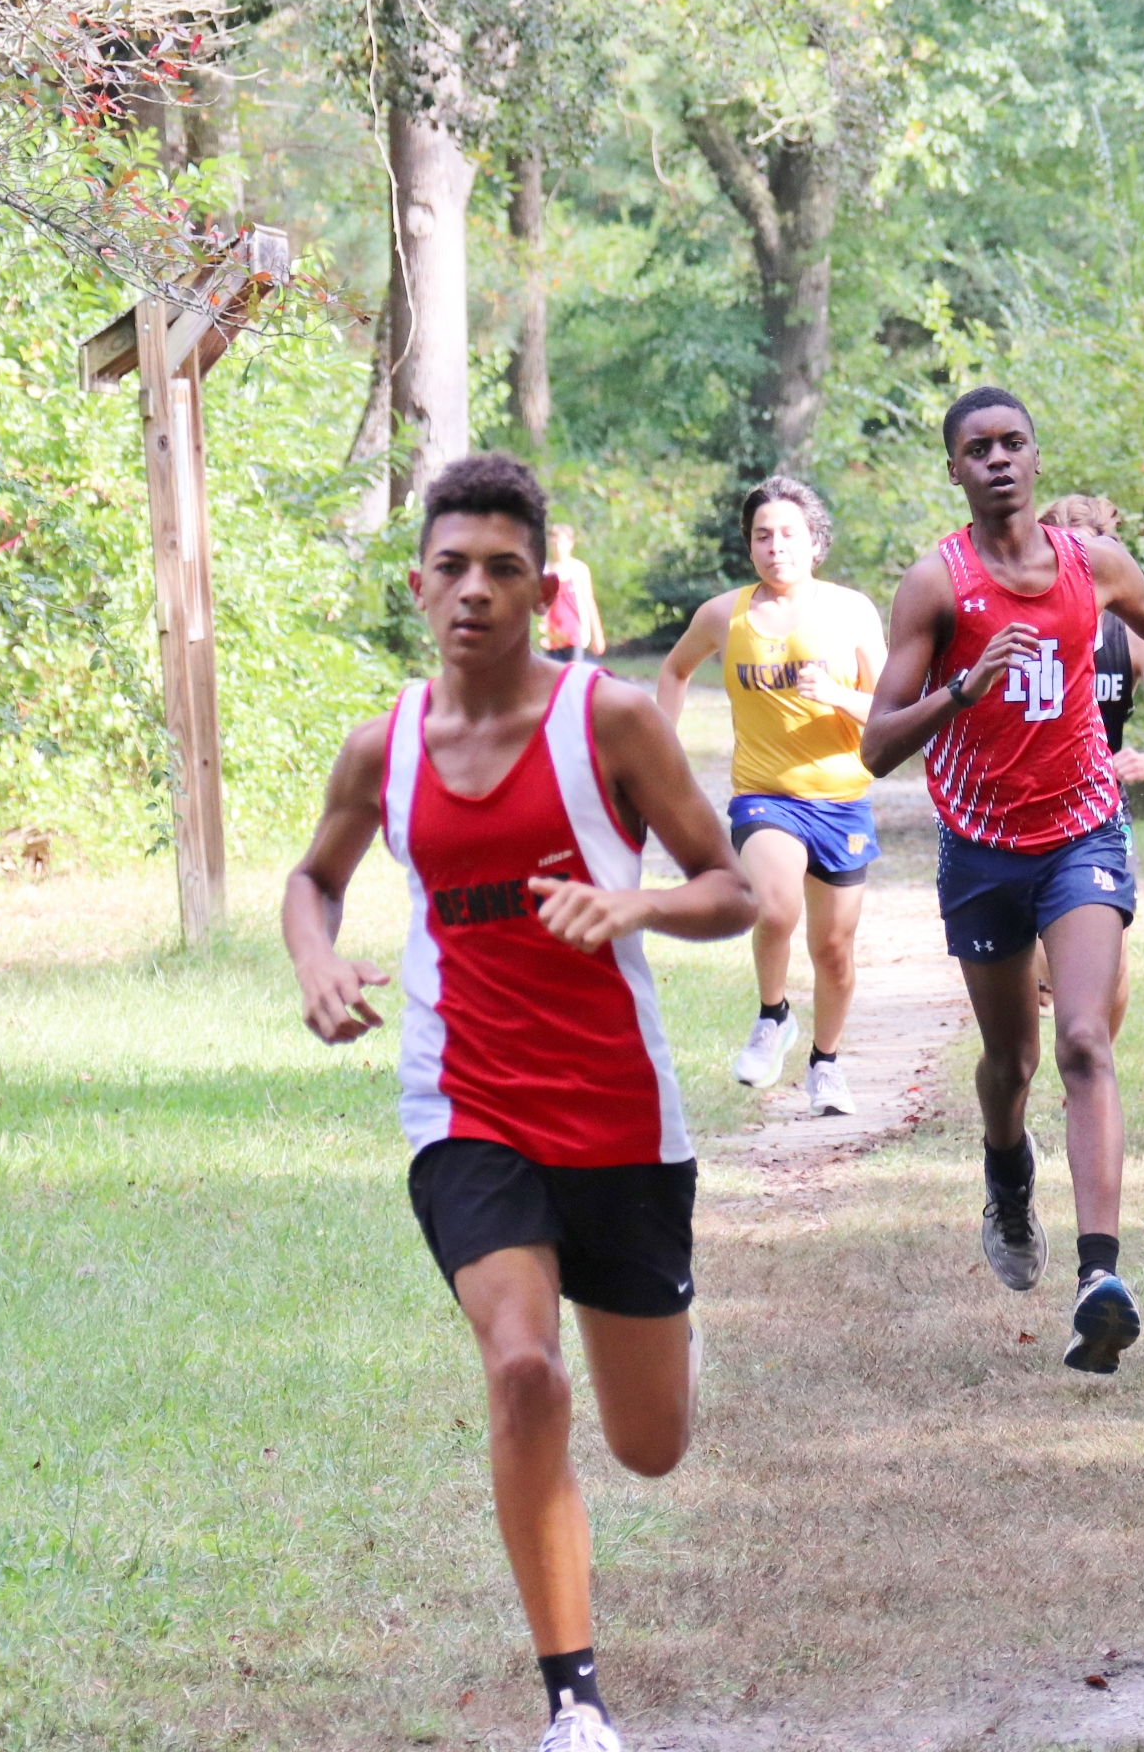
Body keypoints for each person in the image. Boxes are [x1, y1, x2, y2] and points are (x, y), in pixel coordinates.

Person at [282, 453, 754, 1752]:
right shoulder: (383, 748)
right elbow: (310, 882)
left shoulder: (610, 725)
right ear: (420, 585)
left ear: (544, 591)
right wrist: (318, 961)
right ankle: (576, 1702)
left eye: (503, 569)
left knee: (649, 1444)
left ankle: (655, 1336)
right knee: (524, 1370)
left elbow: (733, 888)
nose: (474, 591)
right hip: (466, 1107)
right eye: (452, 568)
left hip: (618, 1116)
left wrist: (638, 902)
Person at [860, 388, 1144, 1375]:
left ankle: (1100, 1279)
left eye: (1014, 442)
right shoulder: (933, 586)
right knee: (1010, 1064)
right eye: (977, 448)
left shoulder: (1092, 565)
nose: (999, 460)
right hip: (980, 847)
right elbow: (872, 748)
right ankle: (1006, 1172)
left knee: (1084, 1039)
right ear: (954, 470)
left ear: (1035, 454)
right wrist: (961, 688)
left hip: (1081, 831)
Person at [654, 477, 888, 1116]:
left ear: (815, 543)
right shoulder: (722, 615)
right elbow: (675, 670)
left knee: (833, 950)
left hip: (841, 800)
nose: (775, 546)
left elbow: (893, 711)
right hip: (764, 796)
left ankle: (826, 1064)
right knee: (773, 906)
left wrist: (838, 695)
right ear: (749, 546)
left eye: (788, 534)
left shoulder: (851, 611)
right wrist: (662, 752)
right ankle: (772, 1015)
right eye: (763, 535)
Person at [1033, 493, 1144, 1033]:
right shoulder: (1022, 627)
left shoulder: (1132, 636)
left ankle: (1095, 1071)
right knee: (1037, 953)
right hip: (1024, 807)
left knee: (1111, 961)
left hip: (1100, 811)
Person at [541, 523, 606, 665]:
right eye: (554, 542)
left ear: (570, 544)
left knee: (573, 676)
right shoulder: (545, 571)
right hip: (552, 635)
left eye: (562, 542)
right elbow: (540, 603)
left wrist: (598, 635)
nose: (558, 547)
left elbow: (589, 601)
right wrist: (541, 631)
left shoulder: (579, 569)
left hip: (574, 633)